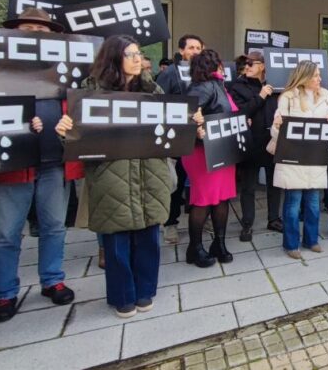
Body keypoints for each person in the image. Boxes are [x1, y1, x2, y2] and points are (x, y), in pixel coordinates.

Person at [56, 36, 194, 318]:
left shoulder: (154, 91)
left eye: (138, 53)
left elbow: (173, 131)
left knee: (148, 238)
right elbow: (78, 142)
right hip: (111, 176)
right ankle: (122, 297)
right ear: (112, 58)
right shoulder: (90, 94)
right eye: (129, 54)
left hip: (150, 173)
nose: (136, 58)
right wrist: (65, 132)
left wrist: (192, 122)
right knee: (116, 242)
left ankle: (145, 291)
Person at [0, 8, 80, 323]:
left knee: (54, 226)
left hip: (55, 162)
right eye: (29, 27)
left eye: (42, 29)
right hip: (12, 165)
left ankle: (52, 279)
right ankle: (5, 293)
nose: (36, 32)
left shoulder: (65, 68)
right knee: (6, 233)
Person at [271, 61, 328, 259]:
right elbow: (278, 132)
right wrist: (276, 125)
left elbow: (327, 130)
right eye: (315, 75)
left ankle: (311, 240)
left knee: (314, 202)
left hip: (315, 156)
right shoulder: (288, 98)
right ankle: (291, 244)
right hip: (293, 157)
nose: (319, 79)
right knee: (293, 202)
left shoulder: (325, 97)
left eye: (319, 75)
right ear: (304, 76)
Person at [182, 50, 237, 267]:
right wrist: (197, 127)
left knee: (222, 198)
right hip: (203, 153)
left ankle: (218, 244)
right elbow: (187, 115)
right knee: (203, 201)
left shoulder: (218, 85)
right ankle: (194, 248)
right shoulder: (202, 87)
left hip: (220, 150)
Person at [228, 51, 283, 242]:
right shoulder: (238, 86)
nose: (247, 67)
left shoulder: (277, 86)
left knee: (274, 183)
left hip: (272, 141)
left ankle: (274, 218)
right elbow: (240, 113)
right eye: (245, 63)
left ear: (263, 66)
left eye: (251, 63)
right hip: (250, 142)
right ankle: (247, 223)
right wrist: (260, 96)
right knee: (248, 186)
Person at [157, 34, 204, 245]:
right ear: (181, 51)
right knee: (174, 185)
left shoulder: (204, 74)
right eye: (191, 48)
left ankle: (201, 219)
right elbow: (158, 103)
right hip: (176, 139)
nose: (195, 51)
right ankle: (170, 224)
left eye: (198, 48)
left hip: (200, 140)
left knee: (198, 183)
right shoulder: (170, 74)